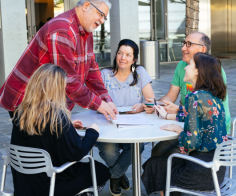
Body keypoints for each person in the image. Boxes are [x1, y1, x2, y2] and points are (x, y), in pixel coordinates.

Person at [0, 0, 117, 121]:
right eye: (101, 14)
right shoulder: (62, 30)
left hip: (49, 101)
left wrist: (106, 100)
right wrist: (98, 104)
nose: (102, 21)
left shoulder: (86, 31)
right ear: (86, 6)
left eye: (105, 18)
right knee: (48, 140)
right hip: (28, 100)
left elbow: (92, 70)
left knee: (61, 138)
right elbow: (66, 79)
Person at [11, 64, 111, 196]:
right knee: (101, 170)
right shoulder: (57, 117)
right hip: (53, 184)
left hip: (24, 184)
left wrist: (68, 127)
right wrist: (92, 132)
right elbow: (77, 153)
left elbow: (43, 135)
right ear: (56, 89)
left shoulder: (20, 112)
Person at [141, 53, 228, 196]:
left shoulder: (194, 96)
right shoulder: (214, 97)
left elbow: (191, 143)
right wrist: (168, 115)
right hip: (216, 171)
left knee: (154, 164)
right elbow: (201, 118)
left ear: (198, 71)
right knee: (162, 164)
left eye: (190, 64)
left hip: (200, 170)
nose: (186, 67)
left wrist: (179, 130)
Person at [97, 39, 156, 196]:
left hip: (132, 127)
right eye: (120, 53)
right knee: (108, 149)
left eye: (128, 55)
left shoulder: (140, 73)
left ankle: (112, 175)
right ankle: (119, 174)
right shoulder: (104, 75)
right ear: (116, 54)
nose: (123, 58)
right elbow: (95, 102)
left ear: (134, 59)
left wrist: (143, 106)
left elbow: (152, 102)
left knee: (139, 147)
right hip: (109, 125)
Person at [143, 31, 231, 134]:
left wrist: (179, 110)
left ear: (203, 49)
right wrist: (153, 105)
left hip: (212, 132)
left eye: (189, 44)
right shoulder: (181, 65)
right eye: (184, 43)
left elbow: (208, 111)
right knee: (160, 148)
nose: (183, 48)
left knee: (163, 149)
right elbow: (170, 97)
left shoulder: (214, 71)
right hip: (189, 123)